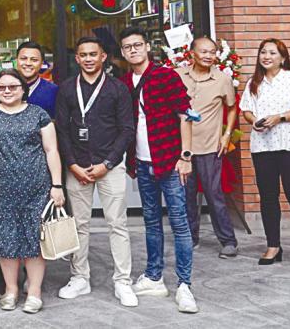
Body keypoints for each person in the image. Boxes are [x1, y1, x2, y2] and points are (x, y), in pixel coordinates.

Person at [118, 27, 197, 314]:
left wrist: (185, 155)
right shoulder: (125, 81)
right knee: (151, 221)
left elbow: (185, 115)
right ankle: (154, 277)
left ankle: (184, 285)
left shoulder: (166, 76)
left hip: (170, 160)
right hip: (142, 161)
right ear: (123, 52)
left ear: (147, 46)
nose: (133, 50)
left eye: (137, 45)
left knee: (179, 222)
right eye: (127, 47)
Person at [54, 37, 137, 307]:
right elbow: (62, 131)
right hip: (77, 166)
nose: (88, 59)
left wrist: (108, 163)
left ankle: (123, 281)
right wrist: (72, 164)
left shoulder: (118, 89)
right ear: (76, 59)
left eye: (93, 54)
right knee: (79, 225)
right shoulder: (66, 89)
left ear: (103, 57)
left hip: (109, 166)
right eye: (83, 55)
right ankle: (80, 277)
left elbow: (127, 129)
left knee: (118, 224)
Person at [0, 69, 64, 315]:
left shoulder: (38, 114)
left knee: (34, 242)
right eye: (2, 88)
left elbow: (51, 151)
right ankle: (11, 290)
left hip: (37, 189)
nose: (7, 91)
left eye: (12, 86)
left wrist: (57, 185)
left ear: (23, 89)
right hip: (1, 190)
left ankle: (34, 292)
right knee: (5, 242)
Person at [240, 38, 290, 272]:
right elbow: (246, 111)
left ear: (282, 58)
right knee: (269, 197)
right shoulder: (254, 82)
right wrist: (255, 122)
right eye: (263, 52)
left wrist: (280, 117)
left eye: (272, 53)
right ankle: (273, 246)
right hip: (263, 147)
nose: (266, 56)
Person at [176, 36, 239, 257]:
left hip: (211, 147)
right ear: (192, 53)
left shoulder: (222, 79)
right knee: (186, 196)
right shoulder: (177, 75)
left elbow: (231, 108)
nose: (208, 56)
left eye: (212, 52)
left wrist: (226, 135)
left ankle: (228, 241)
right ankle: (190, 239)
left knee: (215, 195)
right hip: (182, 149)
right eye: (203, 51)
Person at [13, 41, 60, 118]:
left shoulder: (53, 91)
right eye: (23, 58)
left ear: (42, 63)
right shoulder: (5, 89)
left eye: (34, 60)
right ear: (16, 60)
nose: (28, 63)